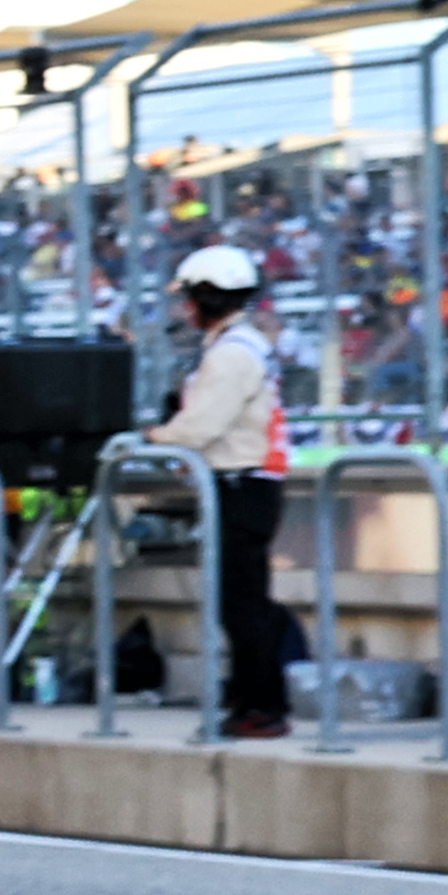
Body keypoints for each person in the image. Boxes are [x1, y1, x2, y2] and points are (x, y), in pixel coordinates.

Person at [147, 243, 303, 737]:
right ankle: (251, 696)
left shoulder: (232, 353)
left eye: (192, 298)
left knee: (241, 601)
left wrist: (153, 437)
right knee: (239, 598)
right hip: (244, 484)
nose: (186, 308)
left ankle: (259, 705)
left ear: (211, 299)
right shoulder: (237, 346)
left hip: (242, 485)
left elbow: (200, 426)